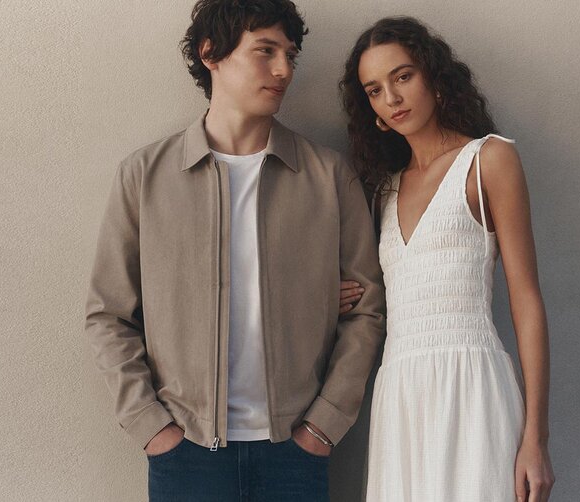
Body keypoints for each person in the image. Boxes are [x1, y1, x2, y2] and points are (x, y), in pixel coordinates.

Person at [81, 1, 386, 500]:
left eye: (290, 53)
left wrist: (324, 425)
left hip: (295, 450)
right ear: (211, 53)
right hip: (186, 453)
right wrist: (151, 427)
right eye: (265, 51)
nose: (284, 69)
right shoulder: (145, 176)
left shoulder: (329, 176)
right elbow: (108, 314)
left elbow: (368, 309)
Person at [337, 16, 556, 502]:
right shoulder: (383, 191)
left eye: (402, 76)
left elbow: (526, 300)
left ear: (435, 76)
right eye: (374, 90)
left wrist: (535, 438)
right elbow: (375, 297)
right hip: (400, 397)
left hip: (472, 389)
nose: (391, 98)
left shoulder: (488, 160)